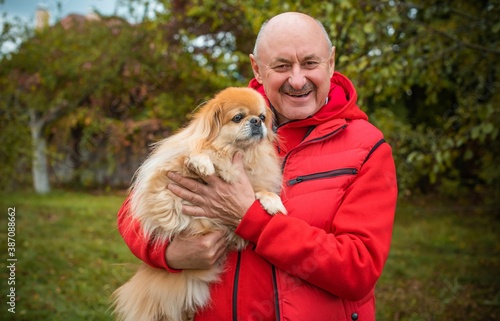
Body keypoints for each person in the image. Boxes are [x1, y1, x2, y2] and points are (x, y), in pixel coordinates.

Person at [117, 12, 397, 321]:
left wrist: (253, 219)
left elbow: (357, 269)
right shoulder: (227, 117)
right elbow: (136, 208)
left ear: (330, 63)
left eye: (310, 63)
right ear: (257, 69)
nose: (297, 79)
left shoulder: (367, 148)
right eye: (281, 66)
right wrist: (168, 254)